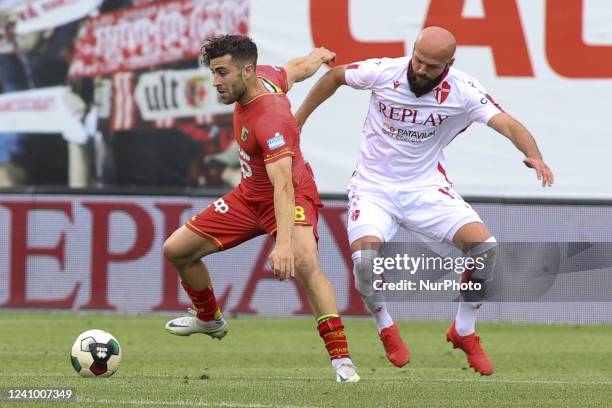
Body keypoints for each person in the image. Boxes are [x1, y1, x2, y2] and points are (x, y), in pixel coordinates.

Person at [295, 26, 554, 375]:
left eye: (431, 66)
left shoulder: (462, 89)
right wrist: (298, 121)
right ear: (412, 51)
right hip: (373, 189)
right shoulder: (385, 71)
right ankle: (385, 324)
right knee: (364, 260)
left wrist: (533, 154)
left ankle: (464, 330)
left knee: (485, 247)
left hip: (426, 189)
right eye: (418, 60)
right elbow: (337, 76)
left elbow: (507, 123)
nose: (420, 70)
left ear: (449, 63)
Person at [162, 35, 360, 383]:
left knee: (304, 261)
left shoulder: (271, 119)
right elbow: (296, 70)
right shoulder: (266, 76)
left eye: (222, 73)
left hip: (291, 196)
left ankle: (341, 359)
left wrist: (282, 244)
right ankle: (208, 318)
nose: (216, 82)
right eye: (213, 73)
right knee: (176, 250)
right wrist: (318, 54)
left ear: (247, 71)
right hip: (248, 197)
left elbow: (283, 186)